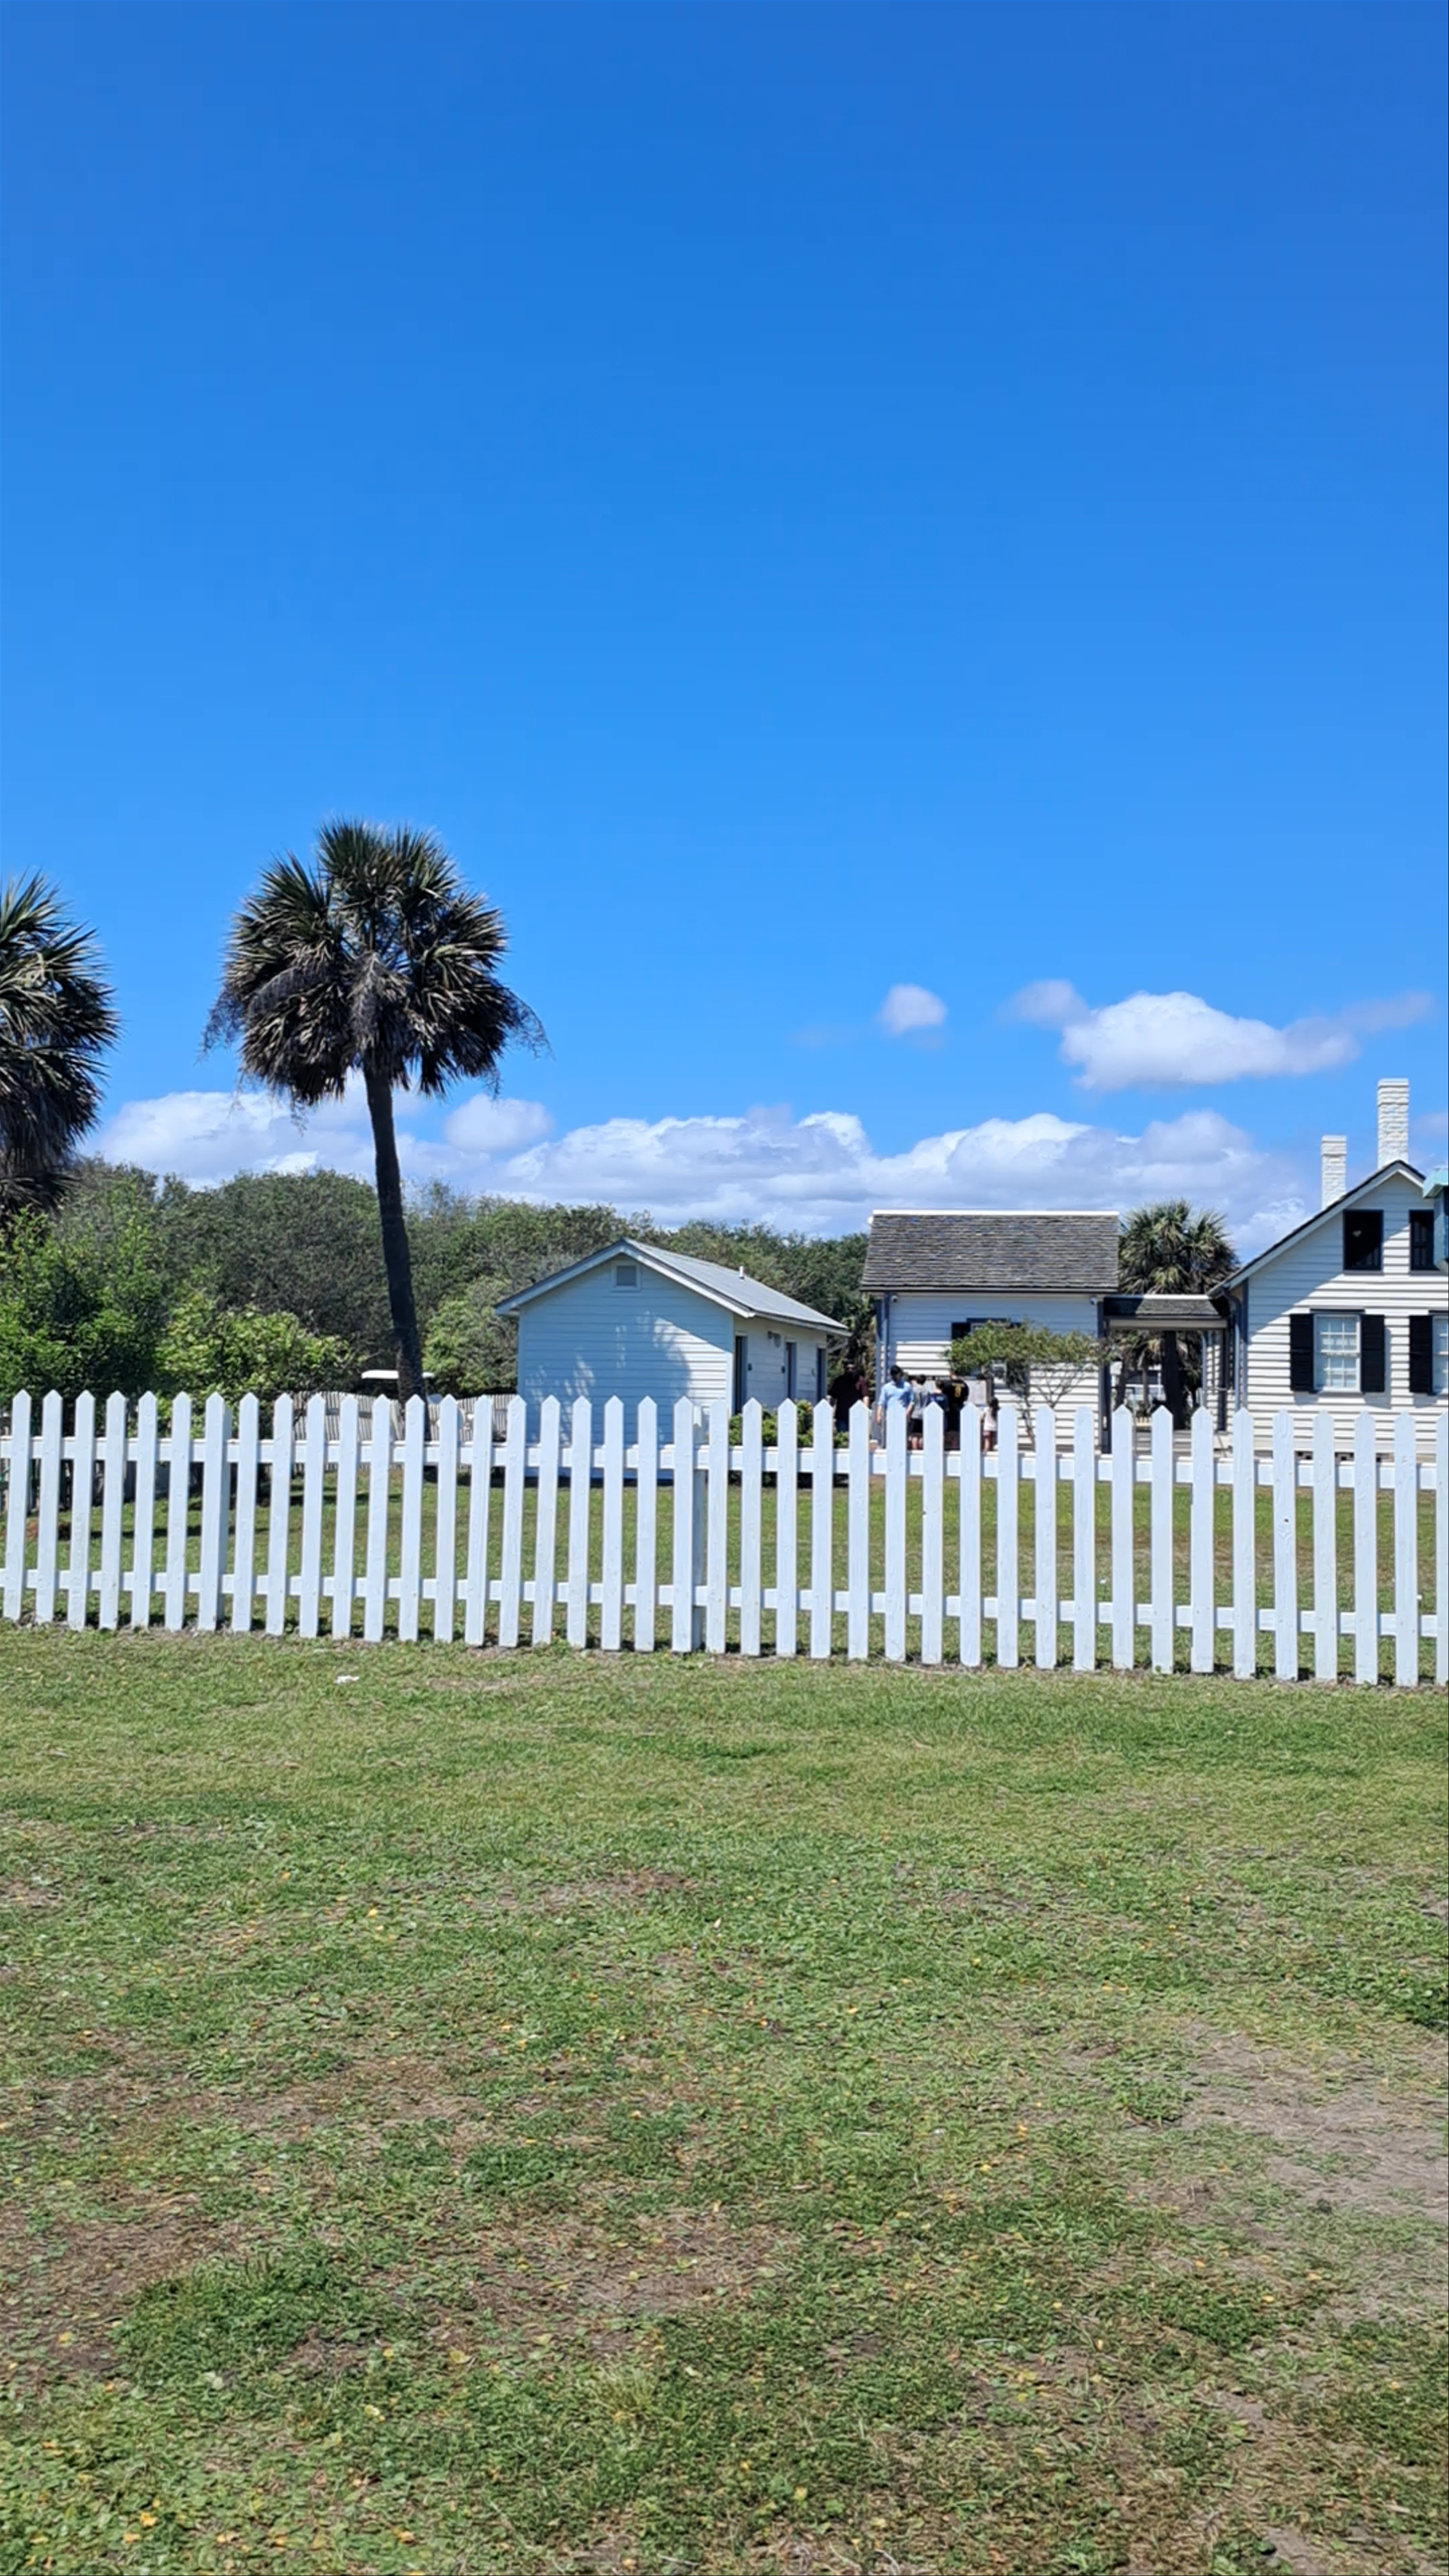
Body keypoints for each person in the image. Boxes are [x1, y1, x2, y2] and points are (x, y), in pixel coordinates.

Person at [876, 1364, 912, 1444]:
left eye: (897, 1375)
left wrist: (907, 1413)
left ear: (900, 1375)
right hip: (890, 1416)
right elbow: (881, 1402)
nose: (895, 1377)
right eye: (893, 1375)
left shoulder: (907, 1386)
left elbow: (911, 1402)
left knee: (902, 1438)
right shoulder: (887, 1388)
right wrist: (879, 1415)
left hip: (903, 1415)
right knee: (890, 1437)